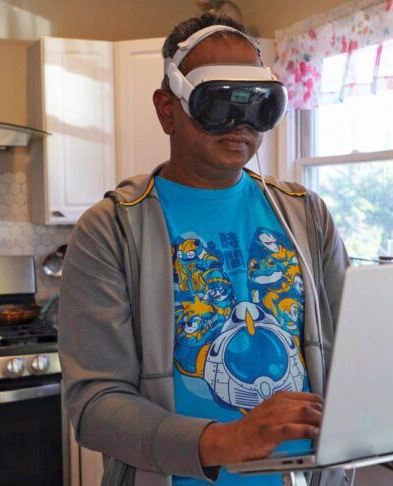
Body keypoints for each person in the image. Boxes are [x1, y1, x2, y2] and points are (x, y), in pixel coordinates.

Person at [59, 12, 349, 486]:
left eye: (258, 105)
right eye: (218, 103)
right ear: (167, 109)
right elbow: (95, 406)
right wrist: (228, 440)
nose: (241, 124)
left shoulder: (306, 215)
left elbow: (352, 351)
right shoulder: (110, 229)